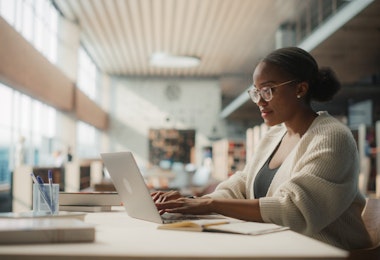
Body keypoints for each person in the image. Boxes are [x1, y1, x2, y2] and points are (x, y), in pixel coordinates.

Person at [152, 47, 372, 250]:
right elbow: (241, 184)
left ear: (300, 89)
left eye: (268, 90)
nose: (259, 101)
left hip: (324, 251)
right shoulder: (275, 135)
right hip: (278, 245)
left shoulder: (332, 137)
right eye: (256, 92)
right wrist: (193, 204)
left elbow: (295, 210)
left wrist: (208, 203)